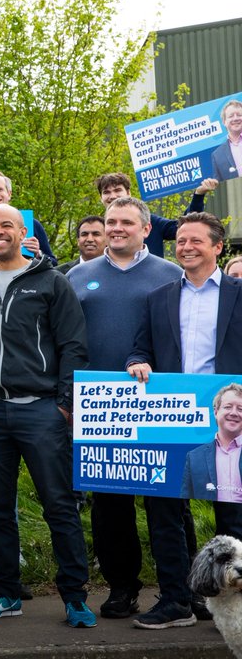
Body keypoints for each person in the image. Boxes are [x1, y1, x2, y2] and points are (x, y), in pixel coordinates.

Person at [0, 204, 95, 628]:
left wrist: (64, 404)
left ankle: (74, 596)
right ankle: (6, 594)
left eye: (6, 226)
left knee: (59, 506)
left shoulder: (50, 282)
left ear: (22, 232)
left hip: (41, 412)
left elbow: (73, 345)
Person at [67, 196, 185, 622]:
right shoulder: (77, 276)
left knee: (168, 505)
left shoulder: (172, 274)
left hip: (159, 408)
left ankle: (183, 589)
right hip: (100, 410)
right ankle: (122, 587)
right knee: (110, 507)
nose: (116, 228)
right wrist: (70, 399)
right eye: (110, 221)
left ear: (146, 229)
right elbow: (67, 342)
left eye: (125, 223)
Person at [127, 212, 242, 627]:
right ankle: (178, 600)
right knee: (164, 510)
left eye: (197, 241)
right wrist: (137, 362)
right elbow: (141, 349)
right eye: (181, 241)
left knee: (231, 512)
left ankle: (233, 604)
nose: (186, 247)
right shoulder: (159, 297)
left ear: (217, 247)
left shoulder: (240, 293)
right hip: (171, 416)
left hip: (229, 419)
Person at [93, 172, 216, 257]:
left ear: (128, 192)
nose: (113, 196)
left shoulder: (150, 221)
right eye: (106, 192)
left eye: (118, 190)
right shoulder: (94, 229)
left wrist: (198, 195)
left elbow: (185, 227)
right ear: (101, 198)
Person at [0, 170, 56, 263]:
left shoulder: (31, 224)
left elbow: (53, 263)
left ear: (9, 194)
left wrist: (38, 253)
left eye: (0, 189)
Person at [182, 384, 242, 502]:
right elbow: (185, 498)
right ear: (215, 412)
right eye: (228, 407)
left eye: (241, 409)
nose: (234, 413)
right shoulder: (194, 457)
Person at [210, 100, 242, 181]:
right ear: (224, 122)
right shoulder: (217, 155)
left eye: (239, 115)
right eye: (231, 116)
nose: (235, 118)